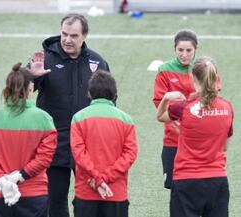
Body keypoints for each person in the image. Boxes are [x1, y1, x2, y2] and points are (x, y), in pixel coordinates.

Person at [29, 13, 110, 217]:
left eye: (73, 35)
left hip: (87, 144)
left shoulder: (98, 62)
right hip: (54, 143)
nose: (67, 39)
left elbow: (110, 101)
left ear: (85, 35)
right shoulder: (44, 59)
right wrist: (31, 76)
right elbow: (19, 90)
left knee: (88, 199)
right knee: (55, 201)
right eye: (64, 34)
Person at [156, 57, 233, 217]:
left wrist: (166, 98)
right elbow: (224, 146)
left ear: (194, 79)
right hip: (217, 180)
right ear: (215, 79)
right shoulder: (227, 107)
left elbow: (161, 116)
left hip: (186, 181)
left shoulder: (183, 107)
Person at [0, 63, 57, 217]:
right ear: (30, 88)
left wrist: (2, 178)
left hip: (1, 193)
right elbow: (44, 158)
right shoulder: (44, 119)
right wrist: (19, 176)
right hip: (34, 195)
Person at [152, 29, 221, 189]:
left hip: (201, 140)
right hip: (173, 140)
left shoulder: (205, 68)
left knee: (201, 187)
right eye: (180, 50)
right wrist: (171, 102)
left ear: (196, 49)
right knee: (176, 189)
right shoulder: (164, 69)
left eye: (188, 50)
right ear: (174, 49)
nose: (184, 54)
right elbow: (159, 102)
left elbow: (213, 98)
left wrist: (188, 114)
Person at [70, 70, 137, 217]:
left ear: (89, 93)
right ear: (114, 94)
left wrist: (98, 180)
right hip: (115, 192)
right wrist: (105, 179)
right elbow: (130, 154)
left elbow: (79, 154)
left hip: (86, 191)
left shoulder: (78, 118)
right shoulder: (126, 120)